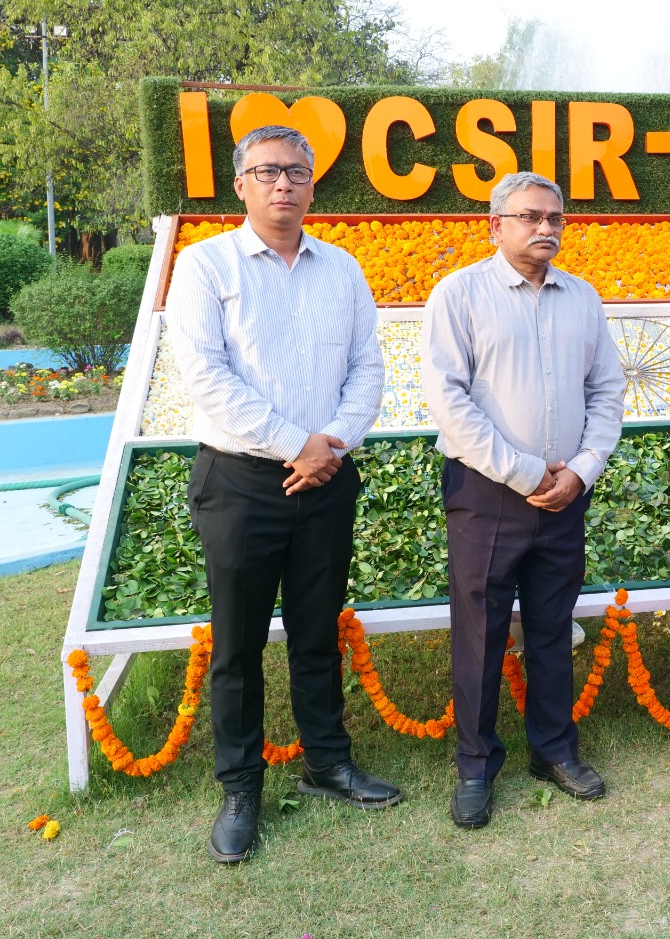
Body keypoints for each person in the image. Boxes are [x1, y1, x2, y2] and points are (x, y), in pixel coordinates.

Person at [167, 124, 399, 865]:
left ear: (311, 184)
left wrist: (330, 443)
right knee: (236, 643)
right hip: (241, 481)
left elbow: (367, 368)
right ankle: (241, 788)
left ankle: (327, 762)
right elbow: (204, 374)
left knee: (316, 630)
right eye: (266, 171)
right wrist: (293, 442)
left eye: (296, 172)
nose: (282, 184)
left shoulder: (343, 270)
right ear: (240, 184)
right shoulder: (206, 265)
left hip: (326, 477)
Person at [420, 171, 626, 829]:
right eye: (530, 216)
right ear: (495, 226)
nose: (545, 228)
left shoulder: (582, 298)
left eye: (555, 218)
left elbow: (607, 390)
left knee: (551, 627)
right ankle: (476, 764)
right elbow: (449, 401)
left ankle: (554, 749)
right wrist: (525, 473)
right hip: (488, 493)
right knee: (480, 632)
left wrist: (582, 471)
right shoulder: (460, 294)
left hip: (565, 493)